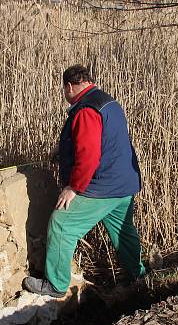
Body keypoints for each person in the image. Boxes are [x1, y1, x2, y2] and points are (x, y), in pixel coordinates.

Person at [23, 65, 147, 297]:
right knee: (123, 231)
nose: (64, 94)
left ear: (69, 86)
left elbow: (89, 154)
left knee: (61, 225)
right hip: (124, 184)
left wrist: (74, 187)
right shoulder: (108, 102)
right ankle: (137, 275)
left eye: (63, 89)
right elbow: (105, 141)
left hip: (102, 186)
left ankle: (56, 285)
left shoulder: (86, 110)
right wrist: (62, 149)